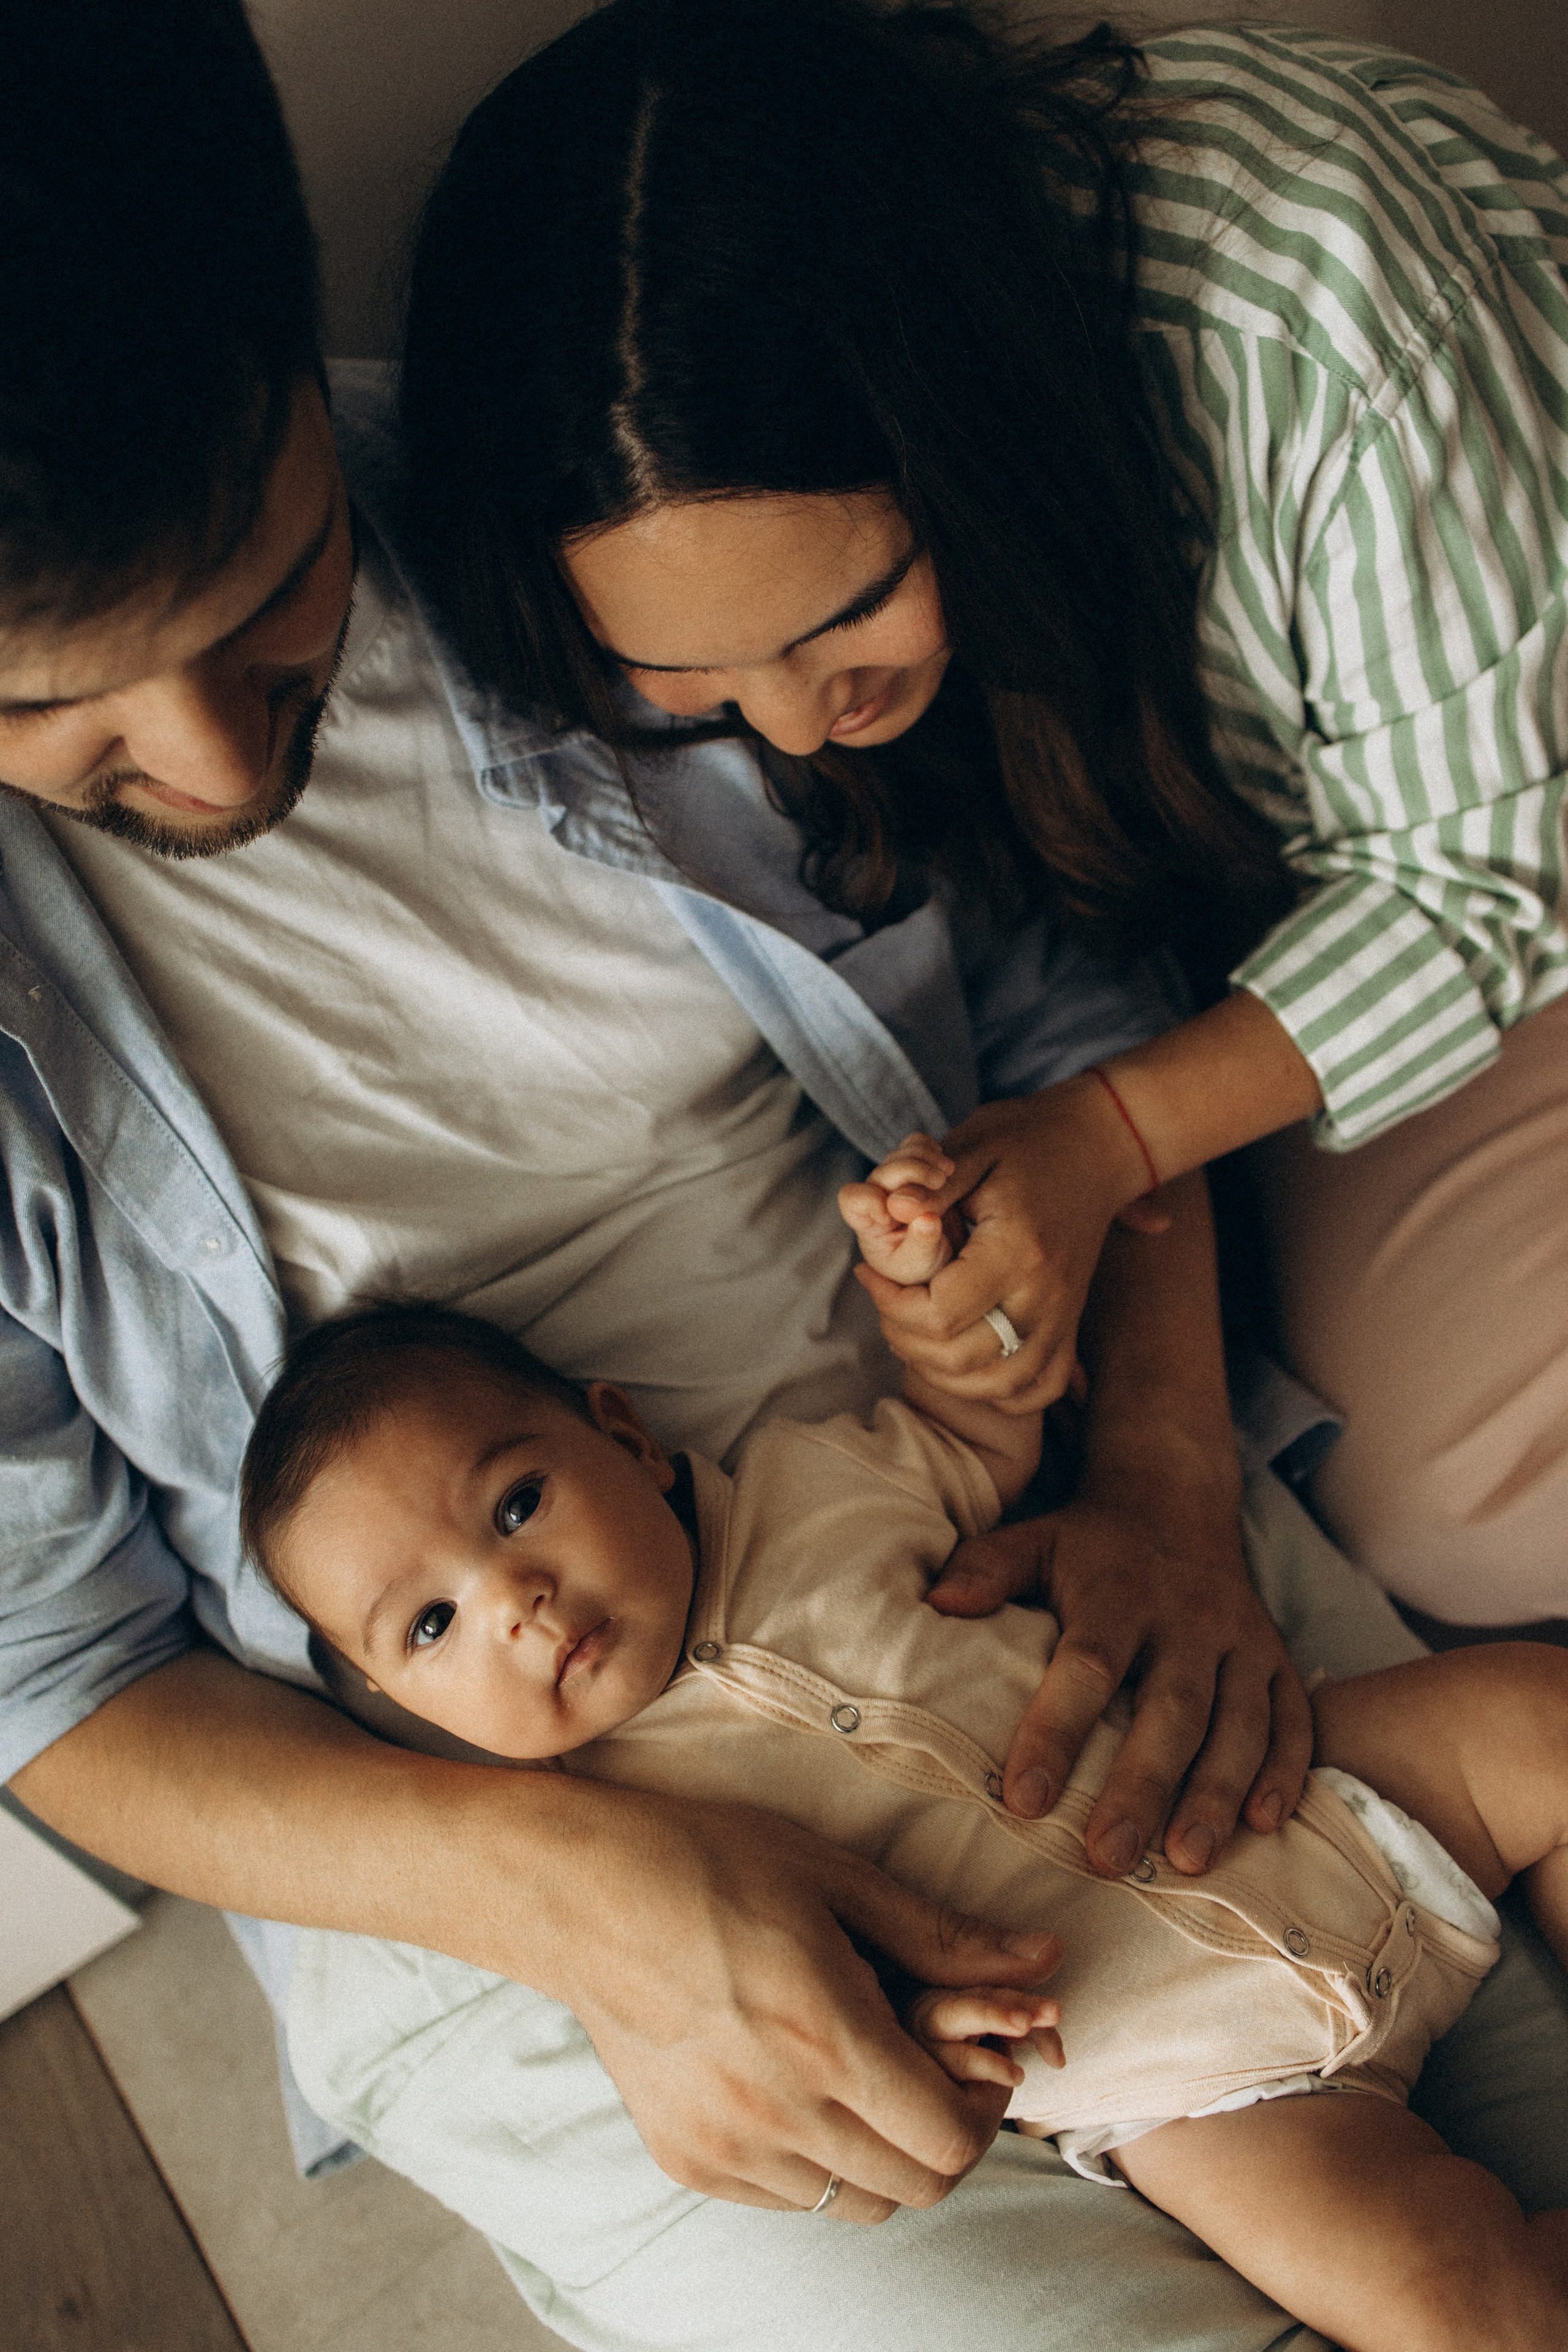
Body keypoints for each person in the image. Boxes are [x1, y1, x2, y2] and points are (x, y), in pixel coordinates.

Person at [0, 6, 1561, 2350]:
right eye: (47, 706)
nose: (216, 753)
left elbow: (1066, 1007)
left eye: (271, 586)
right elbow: (58, 1680)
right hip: (508, 1835)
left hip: (1039, 1560)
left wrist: (1154, 1480)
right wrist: (595, 1897)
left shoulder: (606, 520)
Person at [398, 0, 1568, 1638]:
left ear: (964, 441)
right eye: (695, 680)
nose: (801, 724)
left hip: (1520, 825)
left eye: (848, 619)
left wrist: (1115, 1137)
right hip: (1300, 899)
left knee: (1493, 1506)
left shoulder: (1303, 299)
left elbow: (1493, 872)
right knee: (1425, 1492)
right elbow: (1081, 957)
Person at [244, 1170, 1568, 2351]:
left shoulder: (811, 1485)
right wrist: (919, 2024)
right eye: (431, 1624)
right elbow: (800, 2000)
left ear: (627, 1438)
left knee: (1532, 1715)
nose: (514, 1598)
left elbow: (978, 1424)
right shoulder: (610, 1838)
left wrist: (928, 1268)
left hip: (1276, 1784)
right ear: (393, 1698)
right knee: (1445, 2302)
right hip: (1185, 2070)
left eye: (517, 1504)